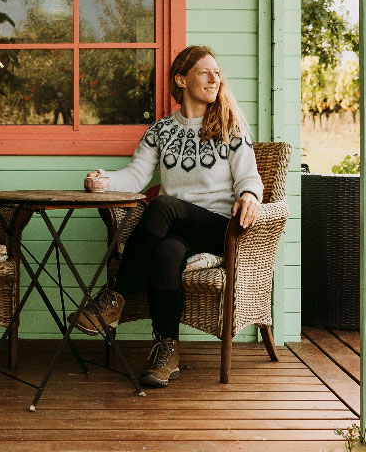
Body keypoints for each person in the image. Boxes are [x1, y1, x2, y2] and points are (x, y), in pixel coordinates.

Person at [82, 44, 262, 388]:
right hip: (176, 231)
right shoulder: (161, 131)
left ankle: (115, 296)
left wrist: (251, 196)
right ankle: (167, 351)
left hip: (218, 229)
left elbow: (249, 176)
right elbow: (135, 176)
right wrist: (105, 181)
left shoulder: (229, 126)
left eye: (217, 72)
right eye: (204, 72)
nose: (215, 78)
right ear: (181, 80)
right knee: (166, 253)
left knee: (164, 205)